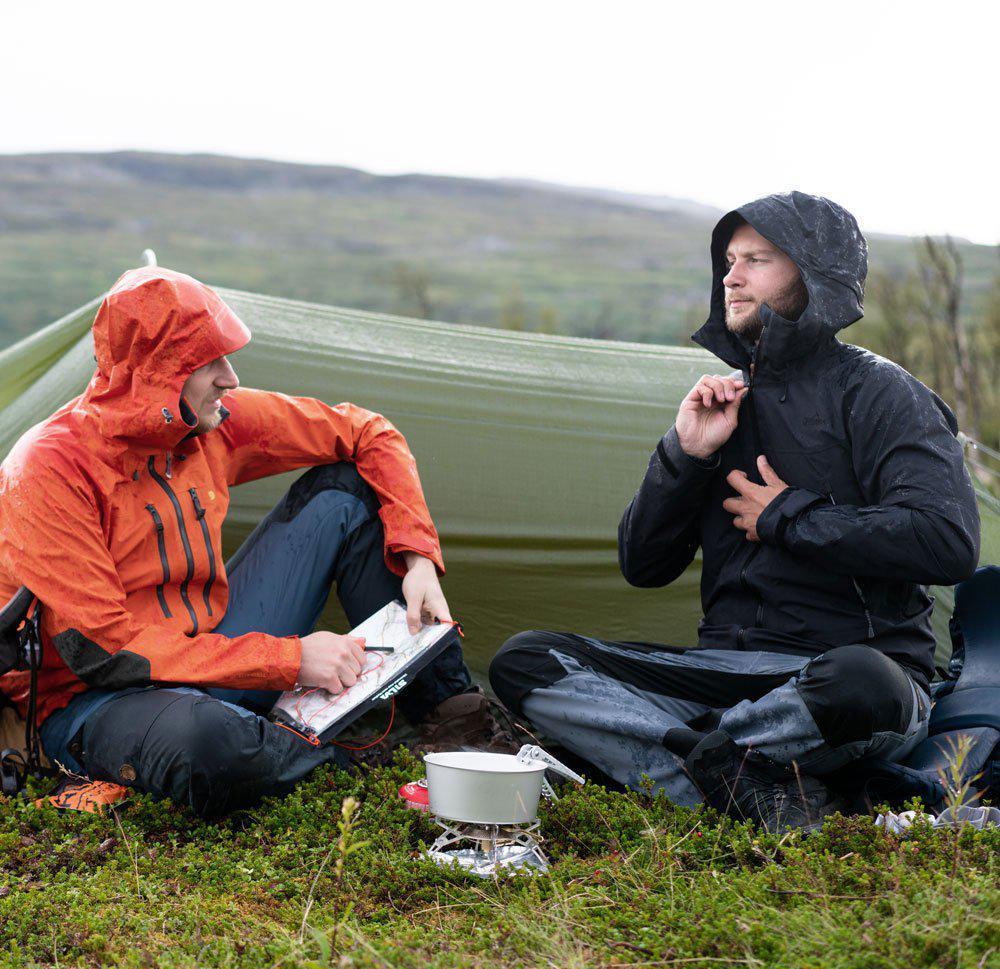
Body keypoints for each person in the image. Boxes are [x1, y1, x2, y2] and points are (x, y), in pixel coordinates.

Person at [490, 191, 981, 831]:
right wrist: (684, 455)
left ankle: (688, 763)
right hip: (719, 678)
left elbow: (948, 541)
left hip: (840, 683)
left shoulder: (883, 393)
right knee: (526, 659)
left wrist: (788, 515)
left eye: (758, 259)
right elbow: (643, 565)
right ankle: (746, 776)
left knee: (864, 680)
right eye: (728, 260)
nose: (732, 276)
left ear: (814, 275)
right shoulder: (722, 404)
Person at [0, 266, 489, 818]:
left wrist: (417, 556)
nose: (230, 378)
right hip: (96, 700)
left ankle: (456, 718)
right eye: (210, 362)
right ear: (160, 373)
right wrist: (288, 660)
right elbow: (106, 652)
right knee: (207, 741)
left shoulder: (209, 423)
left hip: (214, 646)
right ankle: (333, 761)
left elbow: (368, 432)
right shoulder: (48, 469)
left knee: (346, 490)